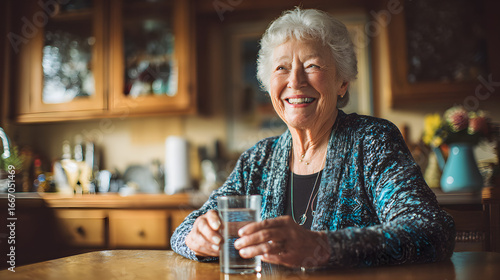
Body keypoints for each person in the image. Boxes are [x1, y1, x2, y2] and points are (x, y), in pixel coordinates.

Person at [171, 7, 455, 268]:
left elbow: (430, 230)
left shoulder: (372, 141)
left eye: (312, 66)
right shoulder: (258, 158)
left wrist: (323, 246)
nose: (295, 81)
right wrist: (198, 239)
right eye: (281, 68)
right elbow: (184, 230)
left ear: (342, 82)